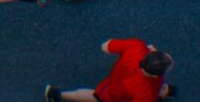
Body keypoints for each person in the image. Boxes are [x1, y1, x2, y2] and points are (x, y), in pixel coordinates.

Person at [44, 38, 176, 102]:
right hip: (117, 96)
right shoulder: (147, 93)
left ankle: (55, 94)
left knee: (95, 94)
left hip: (117, 80)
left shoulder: (136, 46)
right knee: (93, 97)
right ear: (155, 76)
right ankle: (57, 95)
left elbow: (105, 46)